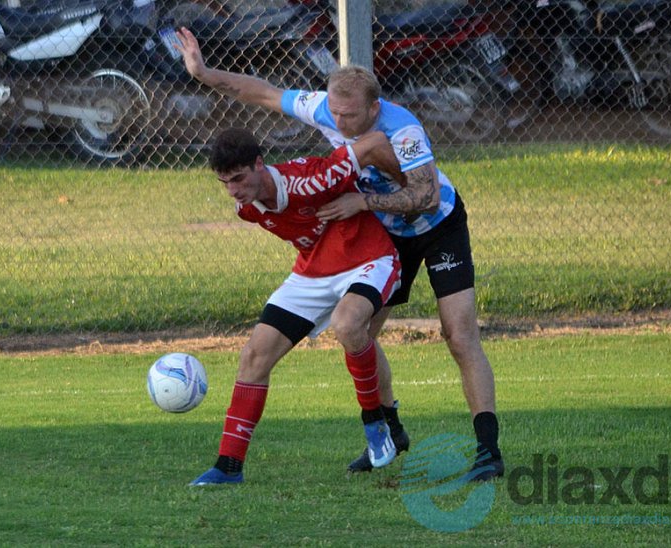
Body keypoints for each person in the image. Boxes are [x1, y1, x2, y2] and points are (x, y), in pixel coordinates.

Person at [175, 27, 504, 480]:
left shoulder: (402, 128)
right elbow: (263, 93)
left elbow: (425, 196)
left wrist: (364, 201)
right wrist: (203, 72)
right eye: (334, 112)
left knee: (459, 334)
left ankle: (488, 452)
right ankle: (389, 431)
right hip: (387, 235)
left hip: (437, 226)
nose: (339, 122)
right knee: (359, 332)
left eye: (350, 115)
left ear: (374, 108)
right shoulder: (328, 110)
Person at [191, 127, 405, 485]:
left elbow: (375, 143)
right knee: (254, 356)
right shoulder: (248, 209)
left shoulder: (312, 178)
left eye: (239, 179)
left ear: (260, 165)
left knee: (348, 324)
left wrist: (406, 187)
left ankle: (375, 424)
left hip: (368, 256)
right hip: (313, 271)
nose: (233, 191)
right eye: (224, 183)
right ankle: (228, 467)